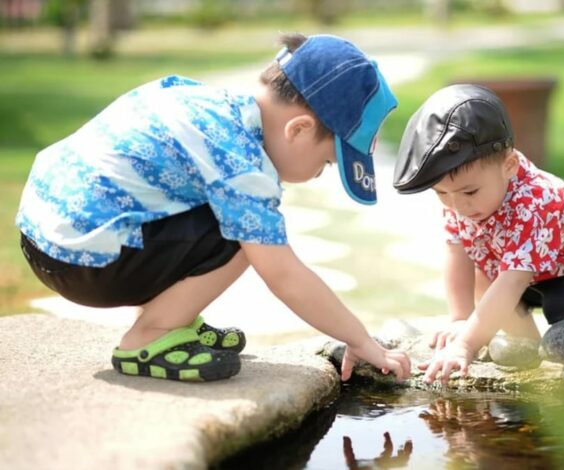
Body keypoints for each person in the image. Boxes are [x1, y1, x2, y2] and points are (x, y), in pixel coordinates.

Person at [16, 33, 411, 383]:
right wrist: (359, 339)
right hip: (83, 263)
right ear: (299, 129)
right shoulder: (241, 162)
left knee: (229, 215)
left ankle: (172, 319)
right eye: (326, 163)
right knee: (249, 236)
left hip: (44, 236)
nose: (317, 175)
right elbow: (284, 275)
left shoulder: (206, 102)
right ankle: (150, 336)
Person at [393, 84, 564, 386]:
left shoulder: (536, 203)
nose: (458, 206)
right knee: (486, 276)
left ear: (509, 166)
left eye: (469, 192)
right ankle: (528, 354)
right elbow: (457, 252)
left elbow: (514, 280)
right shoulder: (462, 198)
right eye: (442, 194)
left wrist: (465, 345)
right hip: (541, 270)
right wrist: (461, 319)